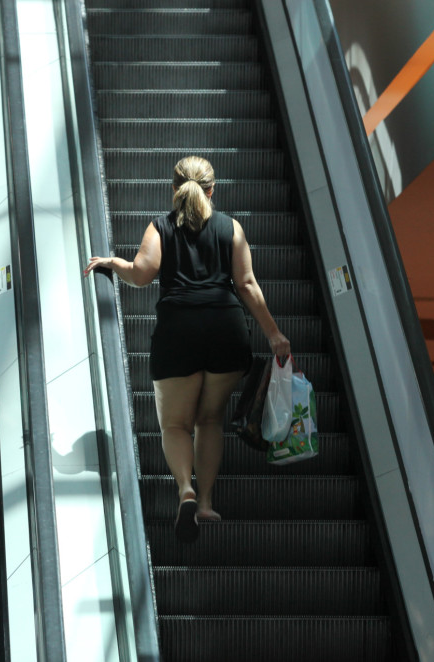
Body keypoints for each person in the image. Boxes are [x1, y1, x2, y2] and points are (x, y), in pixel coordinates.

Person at [84, 156, 290, 543]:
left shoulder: (161, 227)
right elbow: (246, 285)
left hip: (178, 332)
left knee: (176, 424)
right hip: (227, 331)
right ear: (213, 189)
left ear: (173, 188)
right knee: (210, 420)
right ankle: (208, 501)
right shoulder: (231, 228)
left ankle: (186, 491)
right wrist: (275, 335)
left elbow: (142, 274)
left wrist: (112, 261)